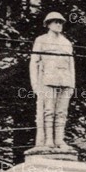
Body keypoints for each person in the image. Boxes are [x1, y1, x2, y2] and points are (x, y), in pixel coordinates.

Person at [29, 11, 76, 151]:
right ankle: (48, 139)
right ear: (48, 24)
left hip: (65, 80)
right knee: (48, 111)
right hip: (48, 80)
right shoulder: (41, 40)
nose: (59, 24)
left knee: (62, 112)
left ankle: (59, 139)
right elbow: (34, 62)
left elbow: (71, 64)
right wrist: (35, 85)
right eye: (56, 22)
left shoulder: (66, 42)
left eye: (61, 22)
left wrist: (72, 84)